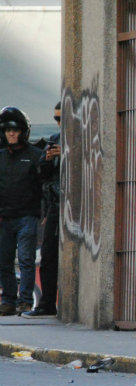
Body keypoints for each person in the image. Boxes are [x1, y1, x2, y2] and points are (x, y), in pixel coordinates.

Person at [0, 107, 45, 316]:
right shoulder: (0, 156)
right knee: (4, 260)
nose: (11, 133)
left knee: (27, 259)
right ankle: (8, 301)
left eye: (15, 130)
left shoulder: (36, 155)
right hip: (4, 217)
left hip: (27, 215)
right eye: (7, 130)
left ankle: (25, 301)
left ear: (23, 132)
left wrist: (42, 213)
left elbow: (43, 184)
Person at [22, 102, 61, 318]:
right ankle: (46, 304)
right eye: (56, 119)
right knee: (48, 256)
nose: (59, 123)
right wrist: (47, 159)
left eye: (62, 118)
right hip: (54, 204)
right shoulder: (54, 140)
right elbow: (42, 175)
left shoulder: (80, 138)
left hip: (73, 205)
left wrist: (66, 154)